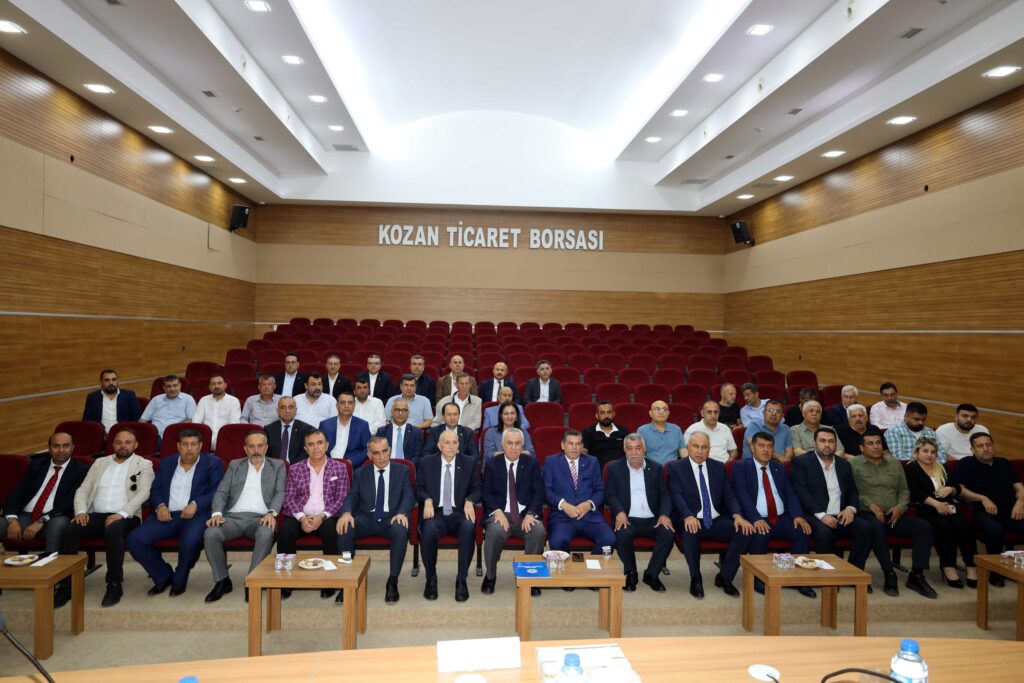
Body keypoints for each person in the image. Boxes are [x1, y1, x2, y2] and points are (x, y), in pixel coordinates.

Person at [59, 427, 154, 607]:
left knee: (113, 529)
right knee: (69, 529)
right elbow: (83, 489)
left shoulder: (143, 464)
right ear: (113, 444)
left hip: (127, 516)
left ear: (136, 445)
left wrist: (121, 514)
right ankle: (66, 584)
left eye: (128, 442)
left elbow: (144, 493)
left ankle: (114, 583)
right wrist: (81, 512)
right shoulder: (100, 462)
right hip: (96, 515)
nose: (123, 446)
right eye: (119, 442)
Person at [127, 429, 223, 597]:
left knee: (190, 541)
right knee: (135, 539)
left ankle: (180, 577)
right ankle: (163, 575)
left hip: (195, 516)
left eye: (193, 444)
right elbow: (155, 489)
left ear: (200, 446)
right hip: (167, 515)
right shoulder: (167, 463)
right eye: (185, 444)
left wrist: (196, 504)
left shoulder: (212, 463)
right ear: (178, 446)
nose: (189, 448)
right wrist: (160, 506)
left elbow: (217, 490)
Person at [203, 430, 286, 603]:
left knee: (266, 532)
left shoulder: (278, 466)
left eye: (260, 446)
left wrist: (271, 513)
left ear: (266, 448)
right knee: (211, 533)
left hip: (260, 518)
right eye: (251, 446)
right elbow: (222, 491)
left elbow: (280, 492)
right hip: (232, 518)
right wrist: (217, 513)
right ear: (245, 449)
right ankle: (222, 580)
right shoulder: (235, 465)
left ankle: (252, 582)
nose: (256, 450)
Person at [850, 432, 936, 598]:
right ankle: (889, 572)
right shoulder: (853, 464)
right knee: (876, 527)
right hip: (867, 513)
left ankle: (917, 575)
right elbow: (851, 491)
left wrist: (900, 508)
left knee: (923, 527)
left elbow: (904, 491)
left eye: (878, 442)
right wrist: (869, 504)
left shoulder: (894, 463)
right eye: (870, 443)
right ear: (861, 447)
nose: (876, 446)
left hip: (894, 514)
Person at [668, 432, 753, 599]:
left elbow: (728, 495)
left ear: (709, 449)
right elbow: (676, 495)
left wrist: (737, 515)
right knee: (691, 531)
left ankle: (725, 577)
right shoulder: (676, 468)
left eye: (704, 447)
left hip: (716, 518)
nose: (699, 451)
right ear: (688, 447)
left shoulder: (718, 467)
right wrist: (687, 515)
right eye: (695, 446)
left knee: (744, 530)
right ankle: (696, 578)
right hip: (690, 517)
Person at [732, 431, 815, 598]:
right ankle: (758, 579)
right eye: (761, 446)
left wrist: (797, 515)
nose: (766, 450)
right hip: (758, 517)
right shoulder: (741, 467)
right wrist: (755, 518)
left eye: (770, 446)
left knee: (802, 530)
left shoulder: (778, 467)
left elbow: (789, 493)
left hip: (780, 518)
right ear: (752, 447)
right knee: (761, 532)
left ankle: (798, 579)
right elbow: (742, 495)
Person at [338, 436, 415, 604]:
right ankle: (347, 580)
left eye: (385, 451)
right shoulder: (360, 473)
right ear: (369, 455)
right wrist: (347, 512)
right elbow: (352, 495)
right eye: (376, 453)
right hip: (366, 518)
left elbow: (409, 495)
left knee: (400, 529)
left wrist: (402, 512)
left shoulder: (402, 470)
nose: (382, 457)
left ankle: (392, 581)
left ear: (390, 450)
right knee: (345, 527)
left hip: (391, 519)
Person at [279, 429, 350, 601]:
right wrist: (302, 518)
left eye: (319, 443)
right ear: (305, 448)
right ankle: (286, 581)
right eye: (311, 444)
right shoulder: (295, 469)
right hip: (300, 515)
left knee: (331, 531)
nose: (316, 447)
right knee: (285, 531)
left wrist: (322, 516)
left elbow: (342, 498)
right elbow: (289, 497)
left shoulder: (340, 467)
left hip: (327, 516)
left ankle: (329, 581)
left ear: (327, 445)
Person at [789, 428, 871, 571]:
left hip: (840, 515)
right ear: (814, 443)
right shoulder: (801, 462)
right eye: (822, 441)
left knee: (865, 528)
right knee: (824, 533)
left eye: (831, 441)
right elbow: (801, 492)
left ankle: (853, 571)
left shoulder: (844, 464)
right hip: (814, 515)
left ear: (836, 444)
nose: (827, 445)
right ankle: (827, 575)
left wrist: (850, 509)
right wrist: (822, 515)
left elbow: (852, 490)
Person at [905, 436, 978, 588]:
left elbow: (957, 487)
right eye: (925, 451)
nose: (929, 455)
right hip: (926, 509)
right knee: (944, 527)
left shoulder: (942, 467)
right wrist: (937, 504)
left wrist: (950, 489)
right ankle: (948, 566)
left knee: (964, 526)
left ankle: (971, 565)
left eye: (933, 452)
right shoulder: (911, 468)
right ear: (917, 452)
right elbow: (915, 492)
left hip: (949, 506)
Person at [416, 431, 482, 602]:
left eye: (455, 442)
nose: (451, 446)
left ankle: (461, 580)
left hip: (459, 512)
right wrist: (427, 499)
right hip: (436, 512)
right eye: (447, 443)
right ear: (439, 445)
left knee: (468, 527)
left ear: (459, 445)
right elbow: (418, 488)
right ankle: (431, 578)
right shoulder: (426, 462)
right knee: (428, 529)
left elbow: (477, 488)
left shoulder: (469, 462)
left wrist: (470, 500)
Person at [1, 432, 88, 561]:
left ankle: (52, 567)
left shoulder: (81, 469)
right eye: (56, 446)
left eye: (65, 446)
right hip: (25, 516)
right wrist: (12, 520)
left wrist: (41, 520)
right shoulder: (36, 465)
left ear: (73, 447)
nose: (61, 450)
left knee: (58, 525)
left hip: (54, 517)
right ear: (49, 448)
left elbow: (68, 502)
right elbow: (16, 493)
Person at [952, 432, 1024, 586]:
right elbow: (960, 490)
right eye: (980, 446)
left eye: (988, 445)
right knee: (995, 530)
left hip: (1010, 511)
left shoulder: (1004, 463)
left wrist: (1020, 502)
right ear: (972, 450)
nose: (985, 449)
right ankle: (995, 571)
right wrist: (982, 498)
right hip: (981, 512)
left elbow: (1019, 487)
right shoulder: (966, 464)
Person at [480, 428, 546, 596]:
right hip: (501, 514)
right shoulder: (492, 464)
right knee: (494, 532)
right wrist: (497, 511)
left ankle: (531, 577)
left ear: (522, 445)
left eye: (517, 444)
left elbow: (539, 492)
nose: (514, 447)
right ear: (502, 444)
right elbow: (486, 493)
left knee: (538, 531)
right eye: (510, 443)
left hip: (524, 514)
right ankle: (490, 576)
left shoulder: (531, 463)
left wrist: (531, 513)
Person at [605, 434, 674, 592]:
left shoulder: (656, 468)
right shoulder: (615, 468)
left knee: (668, 533)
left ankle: (652, 574)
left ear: (644, 450)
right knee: (621, 534)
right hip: (627, 518)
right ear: (624, 450)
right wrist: (619, 512)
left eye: (638, 448)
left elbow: (665, 494)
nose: (634, 452)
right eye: (629, 448)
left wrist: (664, 515)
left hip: (653, 518)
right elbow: (610, 494)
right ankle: (631, 572)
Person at [543, 430, 616, 554]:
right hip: (562, 517)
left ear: (582, 447)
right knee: (557, 542)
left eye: (578, 444)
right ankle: (566, 567)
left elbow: (600, 490)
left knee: (609, 539)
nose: (574, 447)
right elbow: (547, 490)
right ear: (562, 445)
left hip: (589, 516)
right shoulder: (552, 462)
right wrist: (563, 504)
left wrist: (589, 504)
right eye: (570, 443)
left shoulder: (592, 462)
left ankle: (591, 565)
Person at [320, 390, 371, 468]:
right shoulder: (325, 425)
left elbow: (367, 449)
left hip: (351, 466)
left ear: (354, 406)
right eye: (343, 402)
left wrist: (351, 462)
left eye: (350, 403)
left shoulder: (362, 425)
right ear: (337, 406)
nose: (346, 406)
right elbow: (318, 446)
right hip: (327, 464)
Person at [82, 369, 142, 434]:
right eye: (107, 380)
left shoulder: (129, 395)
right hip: (101, 435)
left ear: (118, 381)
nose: (111, 383)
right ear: (101, 382)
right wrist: (99, 432)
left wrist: (124, 433)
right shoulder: (92, 398)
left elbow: (136, 418)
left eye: (114, 379)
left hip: (123, 434)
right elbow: (87, 421)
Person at [140, 374, 197, 440]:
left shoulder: (188, 399)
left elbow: (192, 420)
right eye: (169, 386)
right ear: (164, 388)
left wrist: (175, 429)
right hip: (155, 436)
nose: (172, 389)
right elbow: (142, 420)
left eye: (175, 385)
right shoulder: (156, 400)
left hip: (176, 436)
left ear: (180, 385)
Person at [191, 374, 240, 448]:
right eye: (213, 384)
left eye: (219, 383)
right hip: (204, 440)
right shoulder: (203, 400)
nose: (216, 386)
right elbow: (196, 423)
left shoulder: (233, 401)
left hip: (225, 441)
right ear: (209, 387)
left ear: (225, 385)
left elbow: (233, 425)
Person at [263, 396, 314, 464]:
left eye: (290, 407)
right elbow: (265, 453)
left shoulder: (306, 429)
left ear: (296, 410)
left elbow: (306, 453)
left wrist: (292, 467)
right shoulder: (269, 429)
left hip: (297, 467)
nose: (287, 411)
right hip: (274, 467)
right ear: (278, 411)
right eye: (283, 408)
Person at [375, 399, 426, 463]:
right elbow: (377, 453)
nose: (400, 413)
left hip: (408, 466)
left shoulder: (416, 432)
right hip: (386, 465)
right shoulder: (382, 431)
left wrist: (408, 467)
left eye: (404, 410)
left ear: (408, 413)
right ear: (391, 413)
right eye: (397, 410)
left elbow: (418, 456)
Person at [581, 401, 629, 469]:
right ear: (597, 416)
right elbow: (583, 453)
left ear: (613, 414)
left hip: (620, 469)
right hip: (597, 470)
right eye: (602, 413)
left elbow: (629, 451)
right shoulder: (588, 432)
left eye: (609, 412)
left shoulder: (623, 431)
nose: (606, 416)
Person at [637, 401, 686, 466]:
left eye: (664, 409)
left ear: (668, 413)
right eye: (657, 409)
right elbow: (639, 453)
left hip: (673, 468)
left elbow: (682, 450)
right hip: (652, 468)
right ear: (650, 413)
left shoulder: (676, 429)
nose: (661, 412)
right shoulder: (642, 430)